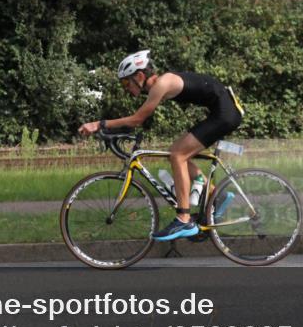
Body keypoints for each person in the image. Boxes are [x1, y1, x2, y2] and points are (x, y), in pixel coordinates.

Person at [78, 50, 243, 241]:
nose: (125, 88)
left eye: (126, 82)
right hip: (222, 111)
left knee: (178, 156)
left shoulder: (162, 83)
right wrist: (113, 131)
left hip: (225, 113)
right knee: (174, 152)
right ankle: (215, 195)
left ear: (139, 76)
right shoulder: (161, 85)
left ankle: (183, 218)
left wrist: (99, 124)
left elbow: (138, 119)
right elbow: (140, 119)